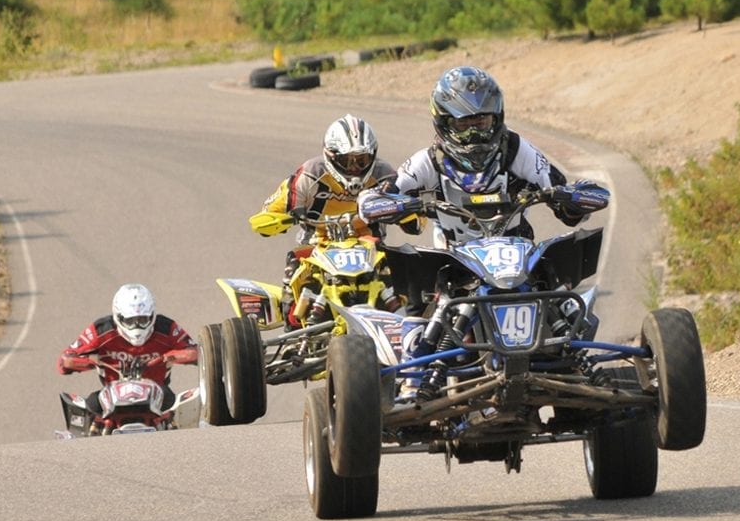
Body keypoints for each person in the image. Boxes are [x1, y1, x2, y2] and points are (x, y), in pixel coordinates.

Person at [359, 65, 597, 248]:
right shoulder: (428, 161)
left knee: (569, 306)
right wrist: (376, 201)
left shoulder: (517, 149)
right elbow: (384, 192)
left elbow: (559, 190)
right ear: (443, 122)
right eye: (464, 124)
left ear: (497, 118)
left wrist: (574, 200)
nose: (474, 134)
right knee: (414, 308)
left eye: (482, 122)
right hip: (451, 261)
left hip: (518, 253)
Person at [252, 113, 421, 328]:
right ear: (331, 156)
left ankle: (410, 329)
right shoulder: (310, 174)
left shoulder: (386, 175)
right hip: (316, 248)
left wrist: (409, 213)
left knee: (408, 265)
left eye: (362, 161)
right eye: (346, 161)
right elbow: (269, 210)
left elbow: (415, 222)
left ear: (372, 156)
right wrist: (275, 220)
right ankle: (295, 331)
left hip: (372, 250)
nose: (354, 168)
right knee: (296, 266)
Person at [57, 283, 199, 421]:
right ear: (118, 316)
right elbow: (65, 360)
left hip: (159, 394)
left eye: (143, 320)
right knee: (89, 407)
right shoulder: (101, 330)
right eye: (130, 321)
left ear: (152, 316)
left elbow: (197, 352)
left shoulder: (166, 328)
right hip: (110, 395)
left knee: (180, 411)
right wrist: (86, 364)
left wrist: (169, 357)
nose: (136, 326)